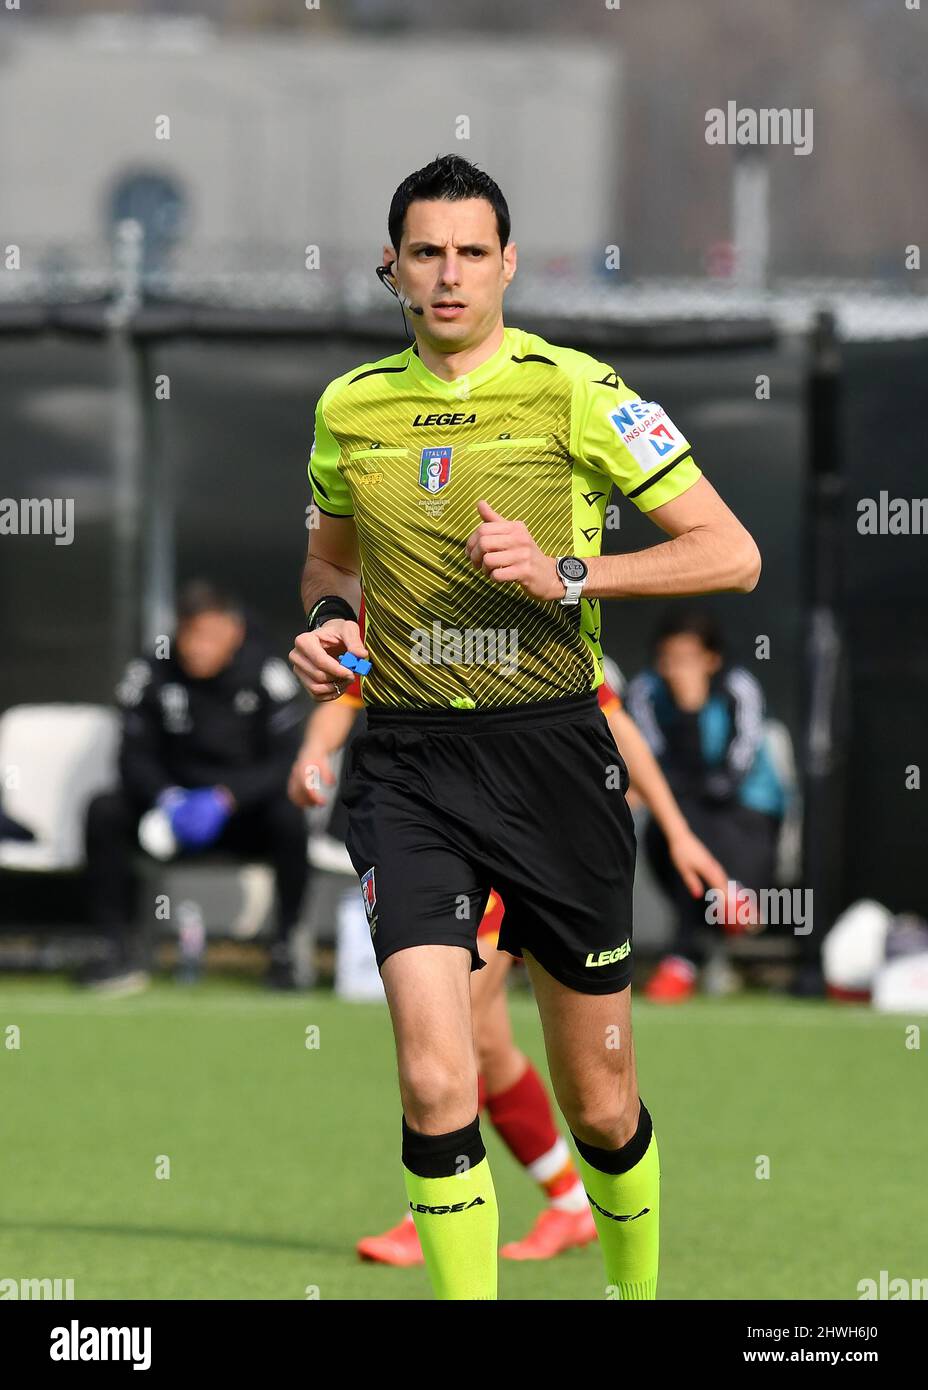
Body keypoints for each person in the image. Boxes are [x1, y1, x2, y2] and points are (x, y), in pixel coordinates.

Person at [289, 153, 760, 1300]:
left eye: (470, 253)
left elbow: (731, 555)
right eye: (425, 253)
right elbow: (328, 564)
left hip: (555, 756)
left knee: (600, 1102)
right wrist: (320, 626)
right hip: (406, 763)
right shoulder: (350, 406)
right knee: (435, 1079)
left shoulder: (577, 390)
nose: (447, 275)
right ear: (390, 267)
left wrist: (571, 569)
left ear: (506, 263)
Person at [291, 637, 728, 1265]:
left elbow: (611, 717)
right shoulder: (406, 593)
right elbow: (349, 686)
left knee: (464, 1042)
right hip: (441, 843)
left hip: (528, 847)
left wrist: (679, 831)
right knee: (483, 1047)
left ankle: (449, 1204)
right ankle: (565, 1201)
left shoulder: (536, 609)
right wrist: (314, 751)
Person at [81, 581, 309, 993]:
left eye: (208, 636)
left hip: (240, 814)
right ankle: (112, 949)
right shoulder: (152, 669)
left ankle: (284, 951)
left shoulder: (266, 671)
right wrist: (166, 797)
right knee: (104, 810)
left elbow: (285, 760)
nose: (195, 648)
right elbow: (132, 755)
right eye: (189, 634)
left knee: (289, 818)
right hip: (168, 811)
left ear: (233, 632)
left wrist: (228, 797)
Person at [626, 610, 788, 1002]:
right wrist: (687, 712)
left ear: (712, 660)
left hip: (745, 818)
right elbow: (656, 771)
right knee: (681, 823)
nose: (674, 669)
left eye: (687, 659)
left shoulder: (739, 688)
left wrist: (694, 709)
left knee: (693, 820)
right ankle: (725, 897)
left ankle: (684, 955)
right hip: (676, 827)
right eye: (668, 659)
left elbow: (730, 777)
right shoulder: (646, 692)